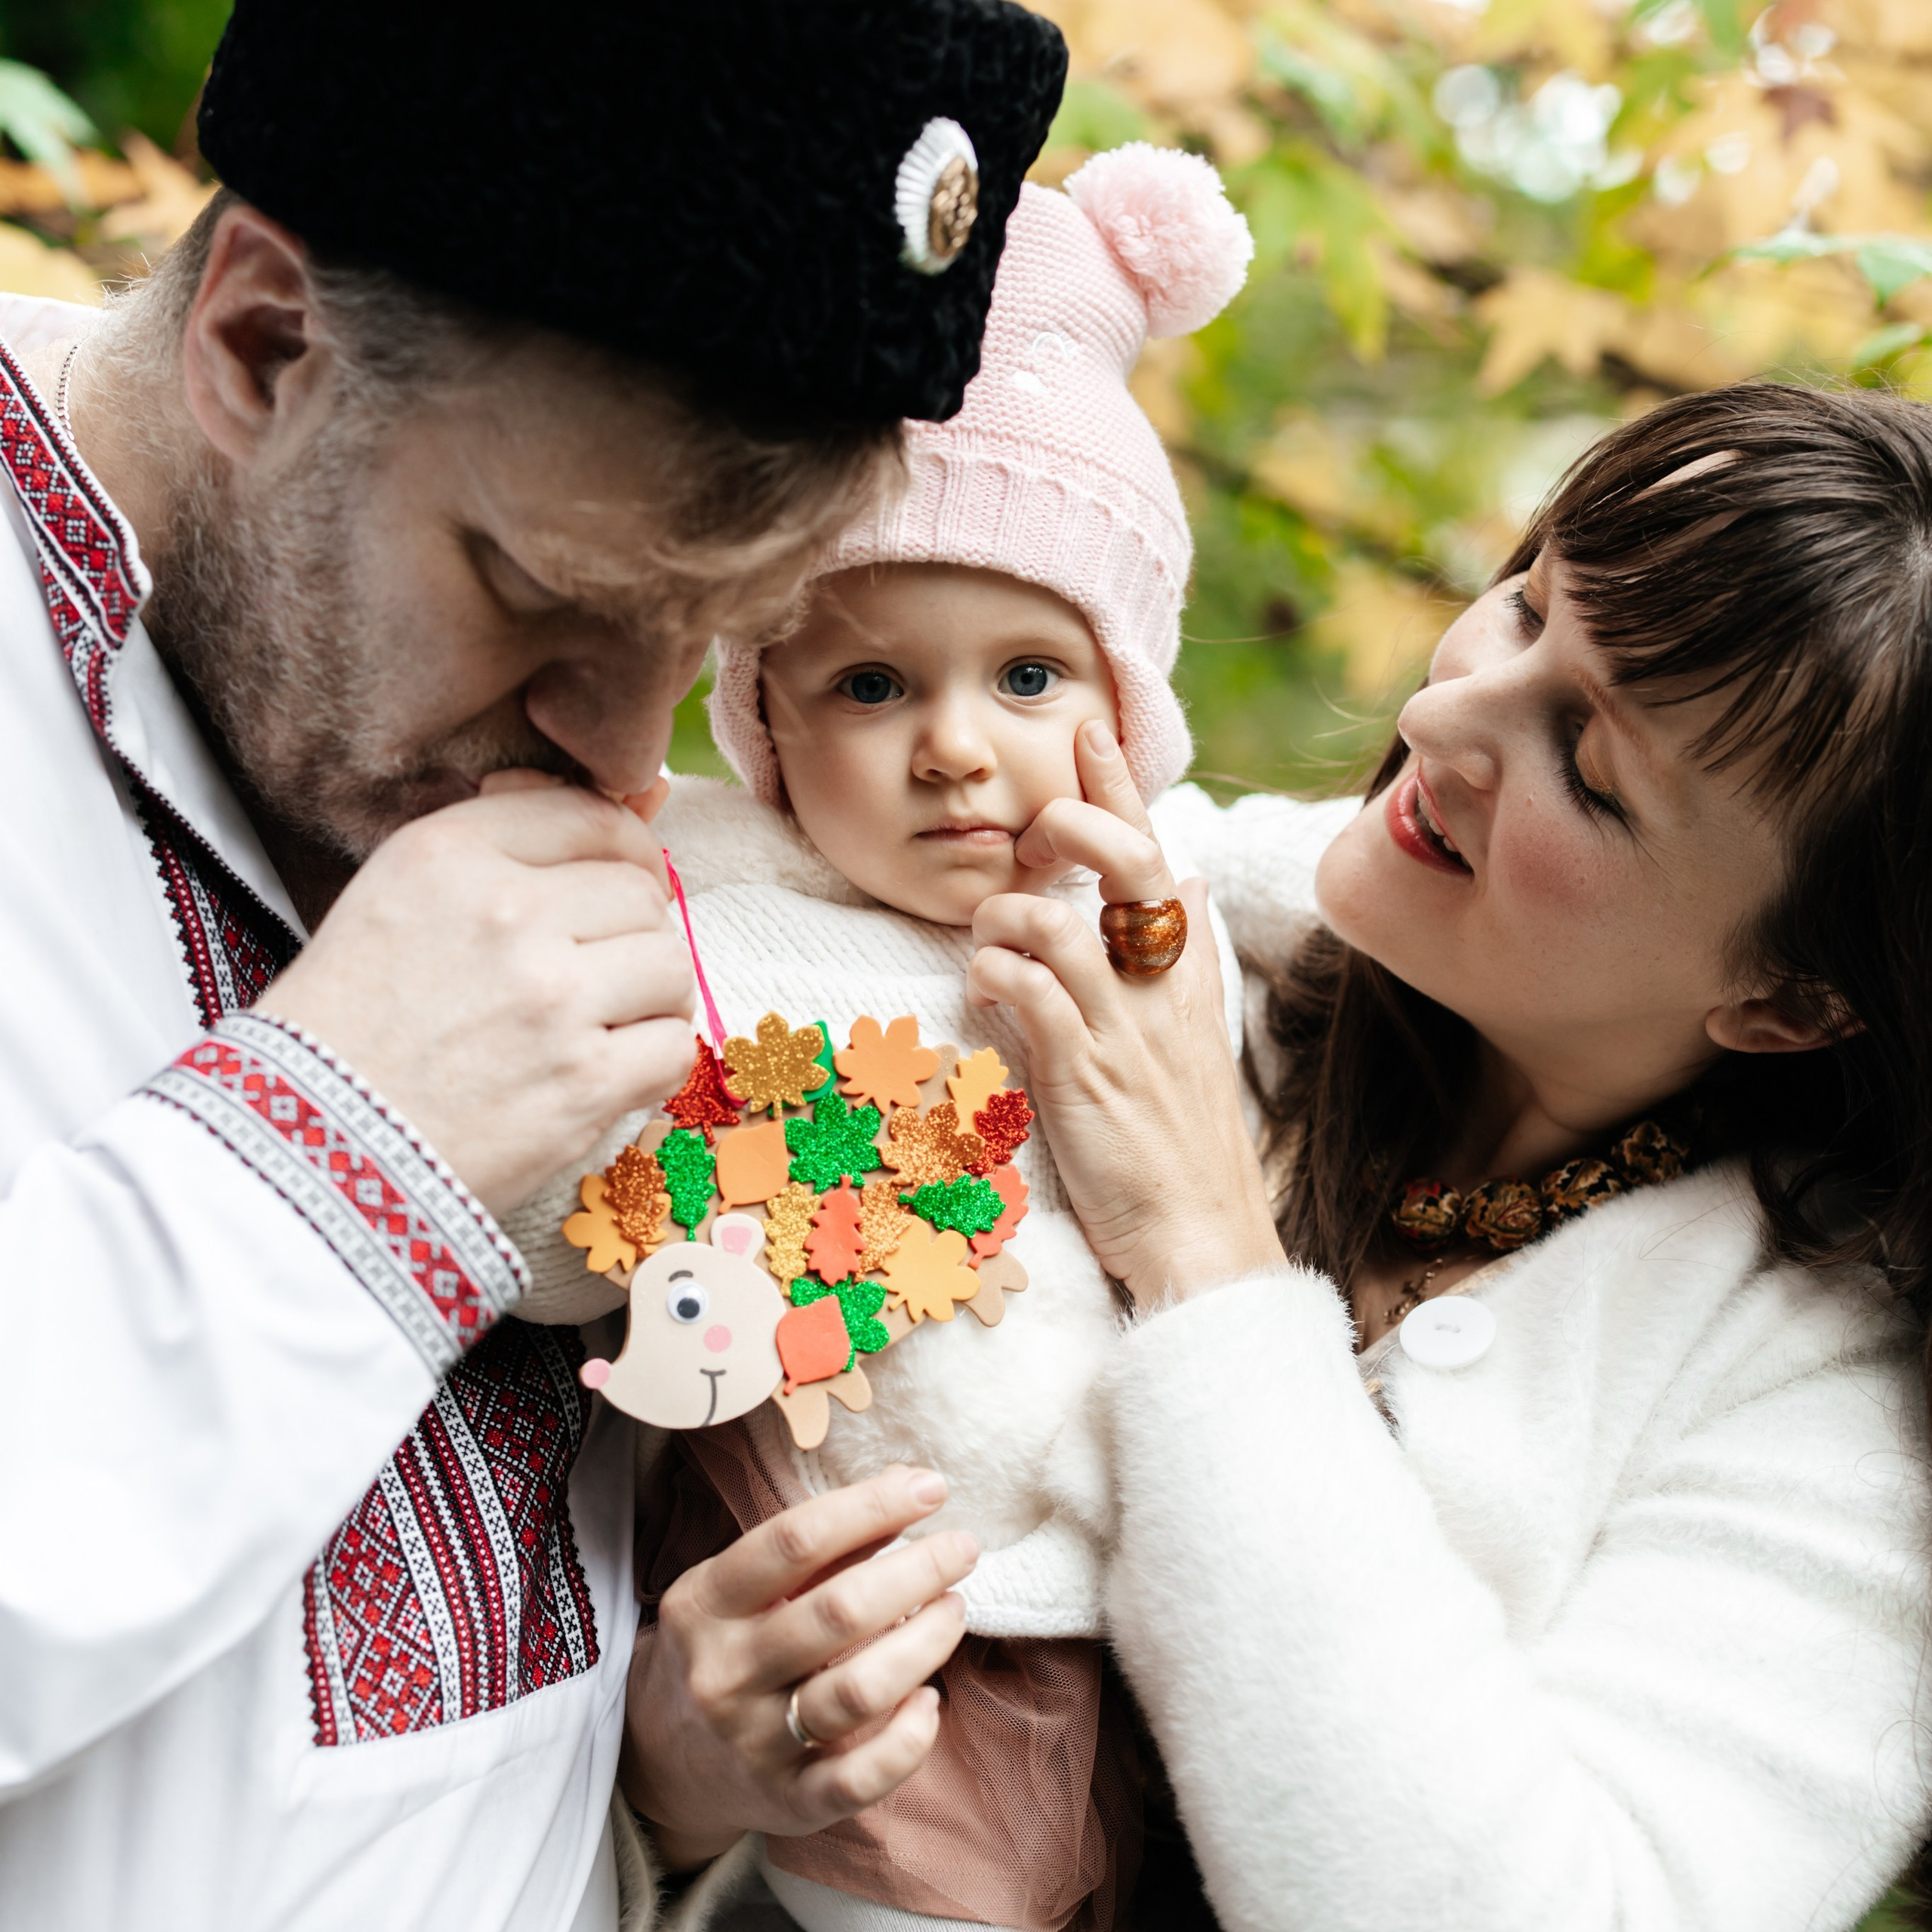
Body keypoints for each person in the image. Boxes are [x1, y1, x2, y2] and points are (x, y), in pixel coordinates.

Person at [0, 3, 1067, 1928]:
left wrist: (650, 1790)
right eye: (546, 603)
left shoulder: (417, 744)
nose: (616, 757)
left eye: (708, 644)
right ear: (261, 341)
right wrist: (336, 1153)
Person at [952, 381, 1932, 1929]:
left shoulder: (1820, 1413)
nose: (1437, 714)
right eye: (1525, 603)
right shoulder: (1179, 930)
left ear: (1787, 999)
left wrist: (1204, 1240)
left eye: (1588, 766)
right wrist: (688, 1763)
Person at [509, 146, 1254, 1932]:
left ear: (1124, 707)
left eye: (1026, 677)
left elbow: (1309, 891)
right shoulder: (699, 891)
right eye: (868, 685)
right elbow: (537, 1198)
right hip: (852, 1564)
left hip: (1143, 1580)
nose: (953, 749)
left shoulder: (1161, 886)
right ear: (757, 708)